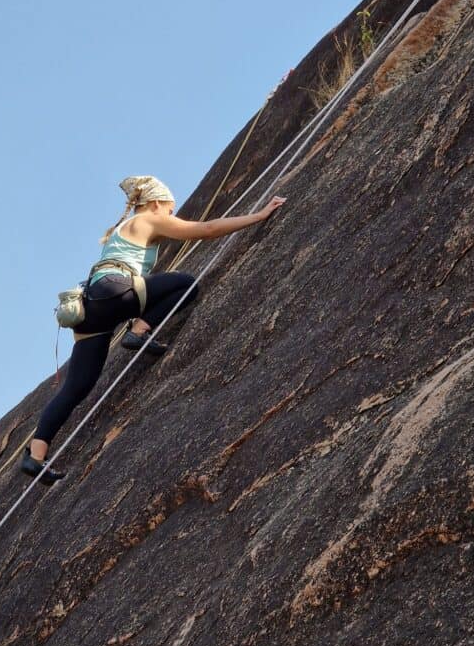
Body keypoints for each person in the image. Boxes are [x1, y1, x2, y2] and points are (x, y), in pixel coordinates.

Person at [21, 174, 287, 485]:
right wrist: (260, 215)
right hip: (115, 290)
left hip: (90, 308)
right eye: (170, 209)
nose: (171, 216)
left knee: (77, 386)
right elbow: (206, 230)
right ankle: (140, 330)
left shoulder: (122, 231)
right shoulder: (147, 219)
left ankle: (35, 456)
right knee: (186, 285)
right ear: (157, 203)